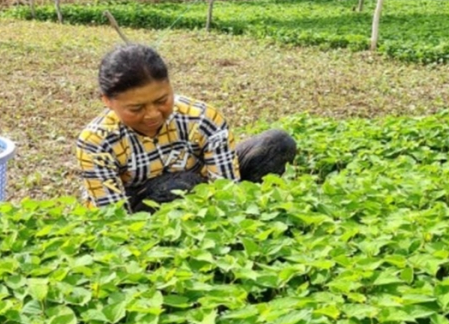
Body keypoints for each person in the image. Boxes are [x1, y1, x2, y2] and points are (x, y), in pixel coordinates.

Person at [76, 42, 297, 212]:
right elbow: (112, 217)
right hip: (138, 205)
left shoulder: (202, 118)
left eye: (162, 100)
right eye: (136, 108)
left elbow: (225, 188)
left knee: (277, 144)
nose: (152, 114)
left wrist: (226, 213)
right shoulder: (97, 142)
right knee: (181, 185)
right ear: (107, 101)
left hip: (199, 187)